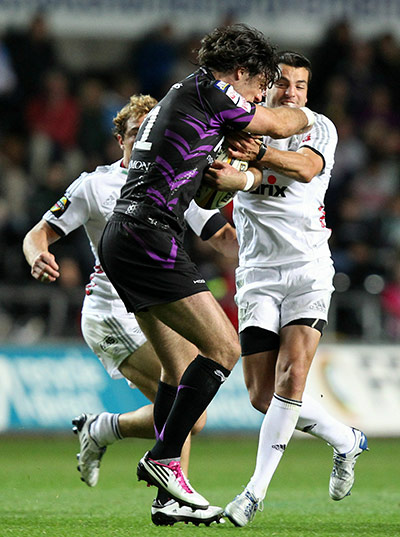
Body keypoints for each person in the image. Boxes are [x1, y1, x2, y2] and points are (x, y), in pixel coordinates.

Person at [98, 24, 315, 510]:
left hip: (127, 234)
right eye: (261, 85)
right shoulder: (213, 91)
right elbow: (280, 126)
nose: (262, 96)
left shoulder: (190, 96)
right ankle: (165, 459)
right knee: (222, 347)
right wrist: (305, 112)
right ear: (239, 73)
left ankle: (165, 499)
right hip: (149, 235)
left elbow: (198, 190)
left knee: (177, 370)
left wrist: (218, 179)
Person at [22, 94, 237, 526]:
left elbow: (222, 235)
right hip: (111, 313)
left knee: (191, 414)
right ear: (120, 139)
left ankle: (104, 431)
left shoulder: (172, 181)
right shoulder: (93, 184)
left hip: (157, 304)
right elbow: (38, 233)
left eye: (152, 133)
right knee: (184, 402)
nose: (146, 141)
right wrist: (36, 255)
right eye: (138, 134)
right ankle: (166, 493)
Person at [204, 51, 368, 526]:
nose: (291, 91)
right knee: (261, 396)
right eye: (283, 83)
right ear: (266, 86)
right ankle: (344, 438)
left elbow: (303, 169)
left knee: (291, 378)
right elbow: (244, 180)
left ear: (307, 92)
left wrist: (254, 157)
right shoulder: (240, 128)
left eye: (299, 85)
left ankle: (252, 495)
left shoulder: (319, 128)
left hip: (307, 270)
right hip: (256, 276)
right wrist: (222, 180)